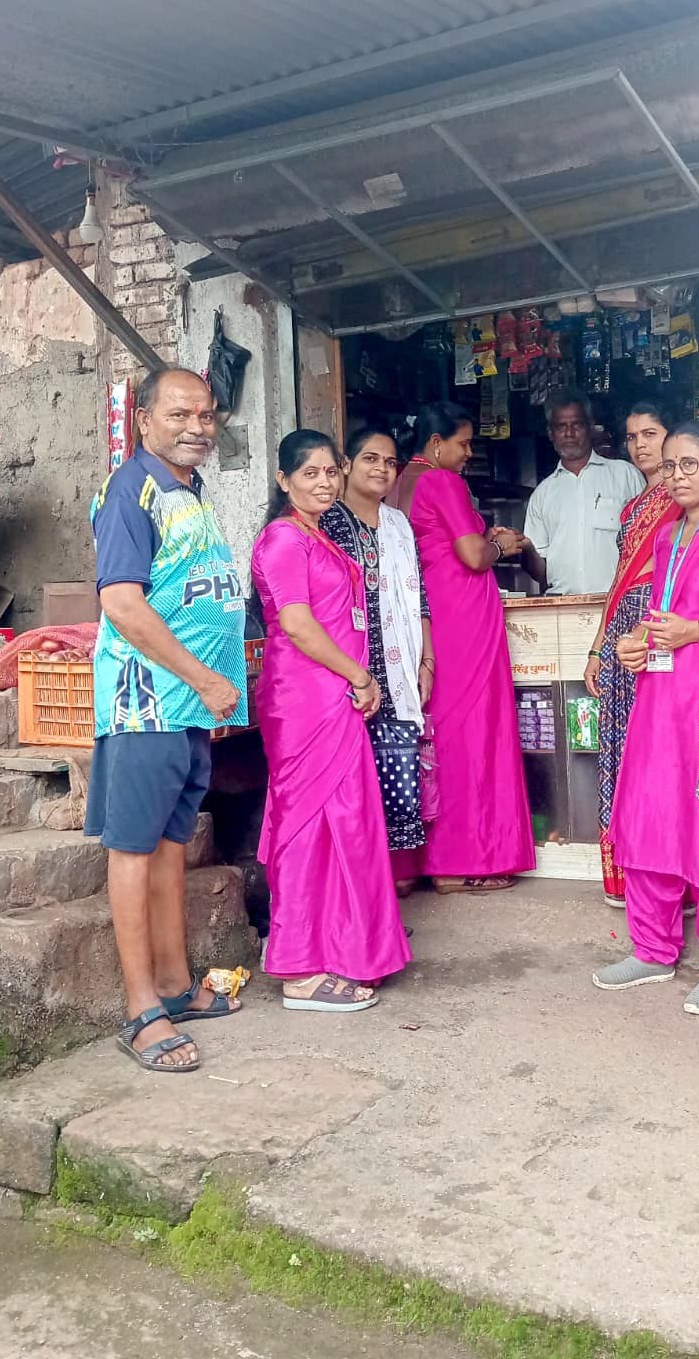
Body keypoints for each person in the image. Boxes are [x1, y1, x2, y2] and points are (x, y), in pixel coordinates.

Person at [87, 368, 247, 1073]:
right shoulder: (131, 491)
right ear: (144, 420)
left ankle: (177, 986)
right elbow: (122, 603)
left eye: (206, 415)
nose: (196, 427)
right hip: (146, 702)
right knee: (134, 847)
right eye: (179, 413)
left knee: (171, 845)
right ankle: (141, 1010)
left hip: (187, 708)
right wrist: (205, 678)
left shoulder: (190, 490)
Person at [593, 422, 699, 1015]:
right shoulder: (666, 536)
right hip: (660, 692)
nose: (677, 476)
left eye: (689, 464)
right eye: (669, 466)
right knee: (650, 810)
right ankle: (652, 947)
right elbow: (662, 615)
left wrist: (697, 631)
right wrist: (636, 641)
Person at [251, 430, 411, 1011]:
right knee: (306, 826)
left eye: (329, 472)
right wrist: (360, 676)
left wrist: (355, 680)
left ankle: (344, 948)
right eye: (309, 473)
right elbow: (297, 624)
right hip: (304, 699)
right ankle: (300, 969)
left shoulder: (318, 534)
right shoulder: (283, 539)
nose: (324, 483)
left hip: (333, 694)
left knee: (345, 822)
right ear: (284, 479)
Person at [388, 403, 535, 893]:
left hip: (427, 614)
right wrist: (501, 547)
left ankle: (423, 860)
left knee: (434, 734)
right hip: (461, 615)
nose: (469, 453)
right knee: (472, 733)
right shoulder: (442, 481)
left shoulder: (397, 482)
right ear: (436, 444)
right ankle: (461, 861)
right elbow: (472, 556)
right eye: (464, 443)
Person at [322, 424, 434, 897]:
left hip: (399, 671)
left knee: (394, 784)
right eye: (371, 458)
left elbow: (420, 598)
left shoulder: (398, 525)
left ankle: (381, 899)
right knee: (352, 789)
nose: (383, 469)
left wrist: (427, 661)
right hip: (349, 673)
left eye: (390, 462)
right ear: (346, 465)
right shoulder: (329, 522)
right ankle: (357, 898)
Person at [583, 402, 677, 906]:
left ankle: (669, 878)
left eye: (650, 433)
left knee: (658, 748)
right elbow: (617, 580)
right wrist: (598, 647)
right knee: (621, 748)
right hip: (623, 629)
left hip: (660, 629)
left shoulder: (682, 499)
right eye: (632, 436)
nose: (640, 444)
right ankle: (627, 875)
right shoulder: (633, 508)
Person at [521, 389, 644, 596]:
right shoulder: (542, 495)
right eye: (561, 426)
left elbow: (648, 542)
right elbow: (541, 572)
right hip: (563, 605)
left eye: (576, 424)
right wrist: (525, 549)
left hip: (618, 602)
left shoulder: (625, 476)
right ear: (551, 433)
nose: (569, 433)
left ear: (590, 427)